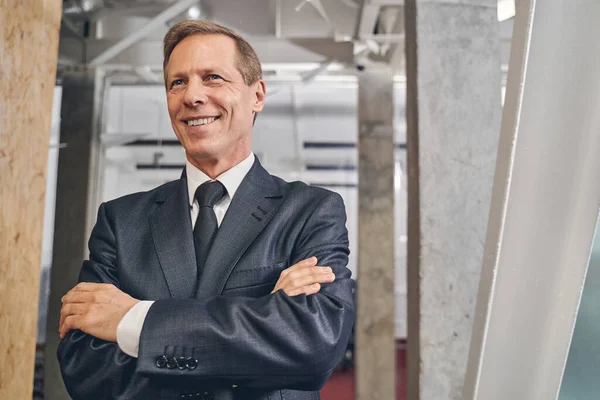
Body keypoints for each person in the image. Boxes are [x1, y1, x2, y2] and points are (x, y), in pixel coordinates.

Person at [57, 20, 355, 400]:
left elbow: (313, 346)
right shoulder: (120, 222)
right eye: (177, 82)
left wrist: (133, 320)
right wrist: (264, 317)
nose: (192, 96)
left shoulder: (311, 212)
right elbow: (86, 369)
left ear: (257, 95)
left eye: (213, 77)